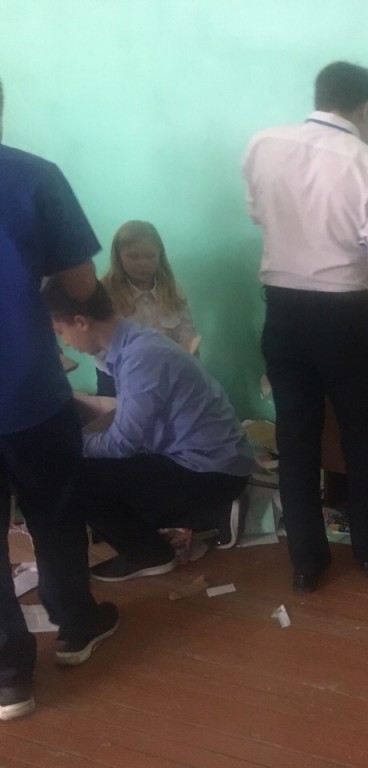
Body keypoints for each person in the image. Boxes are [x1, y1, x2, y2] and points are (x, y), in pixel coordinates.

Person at [243, 61, 368, 593]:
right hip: (344, 318)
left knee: (296, 440)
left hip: (283, 312)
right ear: (365, 108)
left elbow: (260, 215)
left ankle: (306, 562)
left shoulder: (263, 145)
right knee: (363, 437)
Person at [0, 77, 118, 721]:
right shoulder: (34, 177)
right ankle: (75, 623)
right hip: (27, 389)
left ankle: (8, 677)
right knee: (55, 513)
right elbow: (78, 281)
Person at [42, 280, 254, 582]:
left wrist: (70, 444)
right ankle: (205, 515)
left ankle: (150, 554)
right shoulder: (133, 343)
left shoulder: (140, 358)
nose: (64, 342)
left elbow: (122, 443)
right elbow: (127, 417)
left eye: (61, 331)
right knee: (101, 466)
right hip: (214, 461)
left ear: (81, 322)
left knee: (75, 476)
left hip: (213, 472)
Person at [95, 220, 198, 396]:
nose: (142, 263)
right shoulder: (105, 294)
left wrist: (181, 367)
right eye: (133, 256)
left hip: (166, 375)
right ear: (119, 257)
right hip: (119, 379)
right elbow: (98, 347)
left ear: (160, 256)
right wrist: (136, 375)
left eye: (150, 256)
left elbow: (186, 333)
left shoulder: (172, 291)